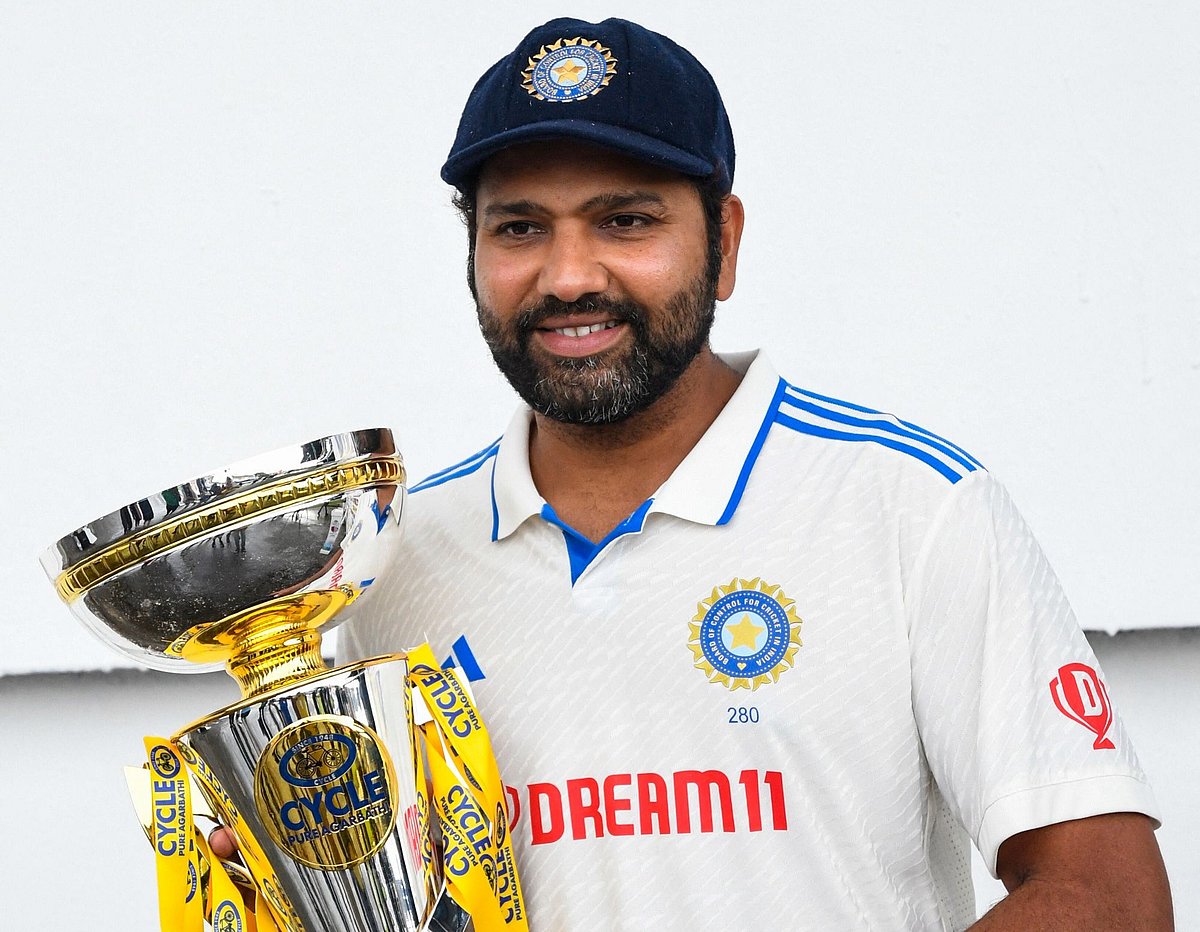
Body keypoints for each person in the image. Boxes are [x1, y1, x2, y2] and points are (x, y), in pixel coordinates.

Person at [229, 16, 1174, 930]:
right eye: (519, 228)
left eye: (625, 220)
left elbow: (1111, 901)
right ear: (472, 251)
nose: (567, 276)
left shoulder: (908, 504)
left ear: (724, 241)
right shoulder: (392, 563)